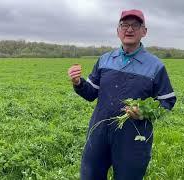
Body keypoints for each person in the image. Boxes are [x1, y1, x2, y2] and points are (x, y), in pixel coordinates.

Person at [67, 9, 176, 180]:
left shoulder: (155, 66)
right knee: (90, 176)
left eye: (135, 25)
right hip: (99, 132)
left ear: (144, 31)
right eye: (124, 25)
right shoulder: (104, 60)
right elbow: (90, 93)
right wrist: (78, 83)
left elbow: (167, 102)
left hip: (133, 137)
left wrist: (144, 113)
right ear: (118, 31)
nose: (129, 29)